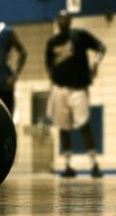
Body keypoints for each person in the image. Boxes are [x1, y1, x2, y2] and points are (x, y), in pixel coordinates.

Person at [45, 10, 106, 178]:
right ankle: (68, 165)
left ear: (70, 20)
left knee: (84, 125)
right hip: (59, 88)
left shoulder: (80, 35)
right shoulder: (52, 42)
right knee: (63, 127)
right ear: (57, 21)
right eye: (60, 18)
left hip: (78, 88)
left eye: (66, 18)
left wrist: (95, 63)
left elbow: (101, 48)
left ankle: (94, 164)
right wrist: (54, 80)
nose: (62, 21)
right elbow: (49, 65)